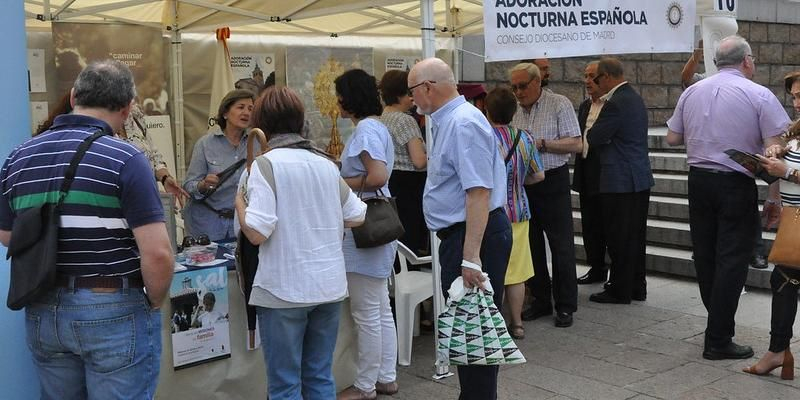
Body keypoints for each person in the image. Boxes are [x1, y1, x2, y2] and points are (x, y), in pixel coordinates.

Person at [0, 60, 174, 399]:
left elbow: (7, 235)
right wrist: (154, 301)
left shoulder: (19, 156)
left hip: (42, 308)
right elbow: (157, 253)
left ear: (73, 96)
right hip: (112, 307)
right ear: (127, 108)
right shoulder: (126, 158)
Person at [235, 85, 367, 399]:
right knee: (319, 377)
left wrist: (240, 203)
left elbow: (256, 232)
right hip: (328, 286)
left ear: (261, 122)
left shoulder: (265, 165)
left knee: (285, 385)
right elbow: (357, 215)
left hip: (284, 288)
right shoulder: (325, 163)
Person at [666, 35, 790, 360]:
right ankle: (718, 338)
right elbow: (775, 150)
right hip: (735, 183)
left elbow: (672, 137)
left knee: (706, 256)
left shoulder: (692, 91)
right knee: (732, 260)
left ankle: (717, 326)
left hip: (699, 181)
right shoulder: (758, 94)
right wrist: (774, 196)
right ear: (746, 61)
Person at [409, 57, 512, 400]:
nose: (411, 98)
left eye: (413, 90)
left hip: (472, 235)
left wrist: (470, 258)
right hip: (465, 233)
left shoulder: (463, 122)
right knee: (469, 332)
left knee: (474, 333)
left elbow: (478, 192)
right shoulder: (452, 119)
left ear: (427, 88)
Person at [335, 69, 398, 400]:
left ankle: (365, 385)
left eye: (339, 95)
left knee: (366, 312)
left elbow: (377, 176)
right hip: (377, 226)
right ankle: (385, 377)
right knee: (379, 308)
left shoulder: (365, 130)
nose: (337, 102)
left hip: (365, 228)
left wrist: (337, 181)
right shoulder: (377, 127)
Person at [510, 62, 581, 327]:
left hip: (553, 179)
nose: (518, 92)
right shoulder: (514, 110)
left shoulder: (559, 103)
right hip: (524, 183)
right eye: (514, 87)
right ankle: (540, 299)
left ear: (537, 82)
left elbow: (576, 143)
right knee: (531, 245)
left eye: (522, 86)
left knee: (561, 245)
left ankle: (565, 305)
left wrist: (541, 144)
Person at [585, 57, 654, 305]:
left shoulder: (614, 103)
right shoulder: (634, 97)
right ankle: (637, 286)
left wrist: (597, 134)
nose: (595, 83)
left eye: (596, 79)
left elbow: (594, 136)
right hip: (638, 178)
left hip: (620, 179)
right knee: (635, 236)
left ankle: (619, 289)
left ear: (606, 77)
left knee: (619, 237)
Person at [743, 117, 800, 381]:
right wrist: (777, 152)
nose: (796, 103)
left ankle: (778, 352)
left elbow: (789, 172)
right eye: (795, 98)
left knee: (784, 281)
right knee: (783, 280)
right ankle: (778, 351)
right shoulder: (795, 130)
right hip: (793, 220)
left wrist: (786, 172)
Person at [485, 87, 544, 340]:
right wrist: (518, 182)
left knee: (491, 270)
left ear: (487, 111)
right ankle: (517, 323)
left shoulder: (484, 137)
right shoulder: (525, 138)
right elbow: (539, 175)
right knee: (517, 272)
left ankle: (494, 324)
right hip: (519, 212)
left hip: (490, 213)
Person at [183, 89, 257, 242]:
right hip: (207, 225)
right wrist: (203, 185)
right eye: (241, 107)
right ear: (225, 113)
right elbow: (189, 186)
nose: (246, 113)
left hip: (243, 224)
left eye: (250, 109)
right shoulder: (205, 144)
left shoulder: (256, 143)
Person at [379, 69, 428, 256]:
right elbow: (419, 161)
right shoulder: (405, 120)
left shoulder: (382, 118)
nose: (413, 98)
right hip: (410, 185)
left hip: (391, 180)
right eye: (410, 93)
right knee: (410, 236)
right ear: (400, 95)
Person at [573, 61, 612, 285]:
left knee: (608, 225)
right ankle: (596, 267)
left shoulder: (612, 105)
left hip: (605, 173)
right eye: (585, 76)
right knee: (590, 225)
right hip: (586, 171)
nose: (588, 81)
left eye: (592, 76)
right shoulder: (584, 106)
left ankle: (612, 270)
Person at [117, 102, 189, 207]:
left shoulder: (134, 114)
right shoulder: (101, 124)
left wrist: (165, 178)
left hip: (145, 202)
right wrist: (147, 192)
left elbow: (153, 154)